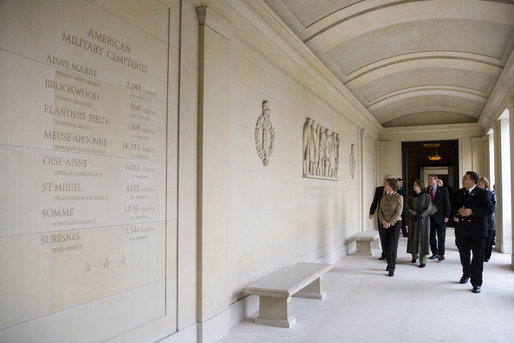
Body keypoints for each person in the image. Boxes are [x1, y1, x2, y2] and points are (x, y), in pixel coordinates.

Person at [453, 171, 494, 293]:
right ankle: (466, 273)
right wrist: (458, 211)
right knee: (464, 254)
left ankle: (476, 282)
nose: (463, 180)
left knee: (477, 257)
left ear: (473, 181)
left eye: (465, 178)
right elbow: (452, 206)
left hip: (478, 230)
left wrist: (472, 211)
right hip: (463, 229)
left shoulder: (484, 193)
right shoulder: (459, 193)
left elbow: (489, 209)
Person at [406, 179, 435, 268]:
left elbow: (429, 208)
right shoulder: (410, 197)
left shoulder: (427, 196)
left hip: (424, 221)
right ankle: (414, 255)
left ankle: (422, 260)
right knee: (413, 238)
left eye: (416, 185)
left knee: (423, 239)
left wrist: (421, 215)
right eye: (414, 185)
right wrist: (415, 214)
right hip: (413, 220)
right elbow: (407, 207)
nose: (414, 186)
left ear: (420, 186)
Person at [378, 178, 403, 277]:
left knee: (392, 246)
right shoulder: (383, 198)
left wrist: (389, 223)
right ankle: (389, 262)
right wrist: (383, 221)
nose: (385, 185)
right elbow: (380, 211)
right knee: (385, 246)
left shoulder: (399, 197)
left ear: (392, 186)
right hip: (384, 223)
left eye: (386, 184)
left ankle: (391, 267)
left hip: (395, 224)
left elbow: (398, 212)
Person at [427, 174, 450, 261]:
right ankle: (434, 253)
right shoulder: (428, 190)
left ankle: (441, 254)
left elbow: (447, 203)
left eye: (431, 180)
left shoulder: (443, 190)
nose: (429, 181)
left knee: (441, 236)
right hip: (430, 217)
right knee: (431, 236)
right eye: (428, 180)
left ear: (436, 180)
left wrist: (447, 216)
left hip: (440, 217)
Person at [369, 174, 393, 260]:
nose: (384, 182)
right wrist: (371, 212)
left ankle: (390, 254)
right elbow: (375, 201)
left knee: (390, 237)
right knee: (382, 235)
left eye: (387, 180)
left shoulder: (396, 191)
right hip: (381, 216)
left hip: (391, 217)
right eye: (384, 180)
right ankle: (384, 253)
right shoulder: (379, 189)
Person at [478, 177, 496, 262]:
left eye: (481, 183)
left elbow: (492, 207)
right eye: (479, 183)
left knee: (489, 240)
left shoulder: (491, 194)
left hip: (489, 220)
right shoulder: (476, 194)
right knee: (480, 240)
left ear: (485, 184)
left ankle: (486, 256)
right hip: (479, 220)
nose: (480, 184)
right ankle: (480, 255)